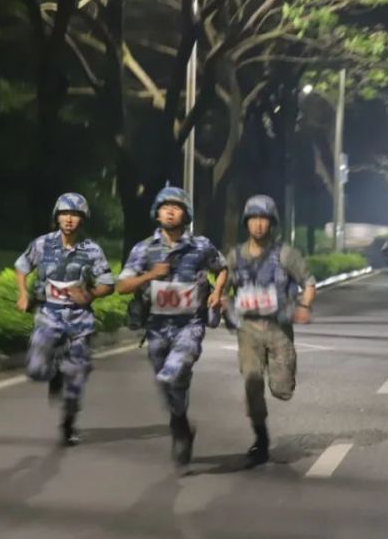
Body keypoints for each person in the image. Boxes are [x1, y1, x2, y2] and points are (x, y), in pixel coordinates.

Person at [116, 186, 228, 466]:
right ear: (157, 213)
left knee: (173, 371)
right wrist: (149, 275)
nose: (169, 211)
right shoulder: (144, 249)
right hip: (156, 327)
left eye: (176, 207)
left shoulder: (200, 246)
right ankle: (180, 426)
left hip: (189, 324)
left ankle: (179, 426)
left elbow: (222, 268)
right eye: (165, 207)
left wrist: (217, 292)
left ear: (185, 214)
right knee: (168, 383)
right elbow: (122, 286)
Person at [15, 193, 115, 446]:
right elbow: (22, 266)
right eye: (64, 214)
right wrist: (23, 294)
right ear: (57, 217)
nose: (68, 219)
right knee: (36, 370)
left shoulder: (91, 250)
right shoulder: (42, 244)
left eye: (74, 215)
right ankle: (54, 375)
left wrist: (90, 294)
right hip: (48, 316)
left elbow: (108, 284)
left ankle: (69, 423)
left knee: (77, 377)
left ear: (82, 219)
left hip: (79, 321)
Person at [225, 195, 316, 464]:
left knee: (281, 389)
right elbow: (222, 286)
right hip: (248, 328)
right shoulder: (235, 256)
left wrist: (304, 306)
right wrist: (222, 305)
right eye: (253, 218)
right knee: (252, 381)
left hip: (278, 328)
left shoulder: (286, 255)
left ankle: (284, 378)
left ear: (272, 223)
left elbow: (308, 282)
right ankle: (261, 438)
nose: (258, 224)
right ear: (246, 222)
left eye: (264, 219)